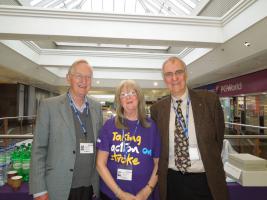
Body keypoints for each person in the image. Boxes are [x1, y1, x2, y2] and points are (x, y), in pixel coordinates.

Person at [150, 57, 229, 200]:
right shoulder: (157, 109)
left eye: (178, 72)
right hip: (172, 181)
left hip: (205, 179)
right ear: (164, 78)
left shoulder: (209, 101)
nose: (174, 78)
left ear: (185, 74)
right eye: (169, 74)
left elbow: (218, 138)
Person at [29, 59, 103, 200]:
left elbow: (100, 146)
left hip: (90, 186)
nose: (84, 81)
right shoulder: (49, 106)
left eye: (88, 77)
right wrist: (39, 189)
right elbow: (39, 149)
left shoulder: (96, 108)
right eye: (79, 76)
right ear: (68, 78)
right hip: (59, 187)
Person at [96, 80, 160, 200]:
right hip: (112, 195)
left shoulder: (151, 127)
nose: (128, 97)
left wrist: (147, 190)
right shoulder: (109, 126)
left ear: (139, 96)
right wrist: (119, 193)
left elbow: (159, 163)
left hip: (144, 195)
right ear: (119, 101)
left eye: (132, 93)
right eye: (123, 95)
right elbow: (100, 164)